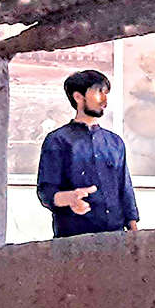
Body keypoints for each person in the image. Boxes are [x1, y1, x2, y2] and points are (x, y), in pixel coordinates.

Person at [36, 69, 140, 238]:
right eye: (99, 92)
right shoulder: (58, 140)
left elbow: (125, 188)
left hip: (116, 238)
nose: (105, 100)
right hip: (73, 240)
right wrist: (69, 198)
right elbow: (46, 192)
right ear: (78, 97)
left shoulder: (115, 142)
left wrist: (134, 232)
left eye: (106, 93)